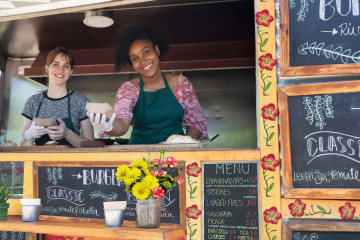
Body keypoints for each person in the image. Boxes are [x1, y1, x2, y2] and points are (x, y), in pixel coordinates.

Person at [88, 24, 208, 144]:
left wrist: (183, 146)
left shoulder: (181, 84)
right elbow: (122, 124)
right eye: (135, 58)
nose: (143, 61)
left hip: (175, 157)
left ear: (157, 50)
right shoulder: (129, 89)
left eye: (146, 52)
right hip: (139, 157)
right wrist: (108, 126)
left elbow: (196, 123)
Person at [21, 46, 94, 147]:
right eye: (56, 64)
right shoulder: (33, 101)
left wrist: (67, 134)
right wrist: (29, 136)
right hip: (38, 163)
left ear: (71, 71)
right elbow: (21, 145)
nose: (61, 70)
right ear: (47, 68)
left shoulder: (81, 101)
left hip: (72, 162)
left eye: (66, 66)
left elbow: (90, 146)